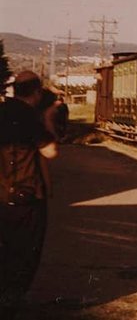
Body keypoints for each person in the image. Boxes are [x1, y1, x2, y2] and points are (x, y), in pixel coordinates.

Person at [0, 71, 58, 318]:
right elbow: (50, 151)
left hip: (2, 194)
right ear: (36, 92)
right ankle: (8, 305)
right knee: (23, 254)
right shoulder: (30, 117)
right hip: (25, 196)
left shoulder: (2, 111)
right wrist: (47, 118)